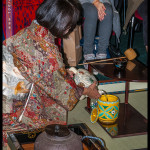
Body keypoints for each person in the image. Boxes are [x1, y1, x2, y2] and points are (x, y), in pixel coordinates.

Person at [2, 0, 101, 148]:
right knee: (51, 112)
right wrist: (87, 91)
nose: (70, 29)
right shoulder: (48, 52)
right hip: (11, 107)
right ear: (62, 24)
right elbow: (63, 93)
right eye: (70, 25)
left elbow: (43, 72)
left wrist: (61, 73)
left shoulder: (29, 31)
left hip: (7, 87)